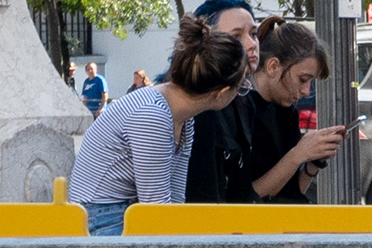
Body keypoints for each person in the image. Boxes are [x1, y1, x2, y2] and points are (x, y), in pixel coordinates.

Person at [70, 20, 246, 234]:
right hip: (98, 217)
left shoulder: (184, 118)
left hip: (120, 211)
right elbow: (156, 211)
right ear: (221, 93)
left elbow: (173, 205)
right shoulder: (154, 115)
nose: (242, 92)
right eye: (242, 87)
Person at [192, 21, 346, 203]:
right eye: (302, 79)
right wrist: (297, 155)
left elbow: (290, 191)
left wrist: (313, 162)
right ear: (273, 66)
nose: (306, 91)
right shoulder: (238, 110)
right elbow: (244, 198)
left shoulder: (287, 112)